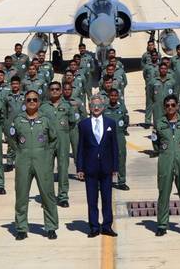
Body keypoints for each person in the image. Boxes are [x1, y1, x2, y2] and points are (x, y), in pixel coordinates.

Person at [9, 90, 59, 240]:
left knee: (47, 193)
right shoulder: (18, 120)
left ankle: (50, 227)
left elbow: (54, 138)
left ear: (39, 102)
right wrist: (19, 151)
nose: (32, 102)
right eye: (29, 99)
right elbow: (12, 137)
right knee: (22, 195)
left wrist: (48, 154)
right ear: (25, 102)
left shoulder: (45, 119)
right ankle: (22, 227)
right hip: (23, 160)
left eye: (35, 100)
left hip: (42, 160)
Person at [76, 95, 119, 238]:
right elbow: (80, 147)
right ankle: (94, 227)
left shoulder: (110, 123)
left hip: (106, 167)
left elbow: (115, 147)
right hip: (90, 167)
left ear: (103, 107)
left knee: (107, 198)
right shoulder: (84, 124)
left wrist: (115, 167)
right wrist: (80, 168)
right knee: (92, 199)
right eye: (93, 105)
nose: (96, 108)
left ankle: (107, 226)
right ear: (89, 107)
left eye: (99, 105)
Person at [154, 95, 180, 237]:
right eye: (167, 105)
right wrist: (166, 152)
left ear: (177, 106)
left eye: (172, 105)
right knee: (164, 192)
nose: (170, 107)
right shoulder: (159, 123)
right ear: (164, 107)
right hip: (165, 160)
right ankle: (162, 224)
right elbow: (156, 143)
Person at [40, 81, 76, 207]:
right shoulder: (43, 107)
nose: (54, 91)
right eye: (52, 89)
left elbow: (72, 122)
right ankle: (48, 197)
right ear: (49, 91)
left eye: (57, 89)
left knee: (63, 169)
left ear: (61, 91)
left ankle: (63, 196)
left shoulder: (67, 106)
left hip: (63, 141)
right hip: (48, 143)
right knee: (47, 170)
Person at [103, 88, 130, 190]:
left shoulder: (122, 108)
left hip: (119, 135)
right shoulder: (104, 109)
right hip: (107, 137)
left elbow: (126, 120)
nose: (113, 97)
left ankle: (121, 181)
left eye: (115, 95)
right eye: (112, 95)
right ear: (109, 96)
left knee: (121, 158)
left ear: (118, 96)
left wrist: (123, 130)